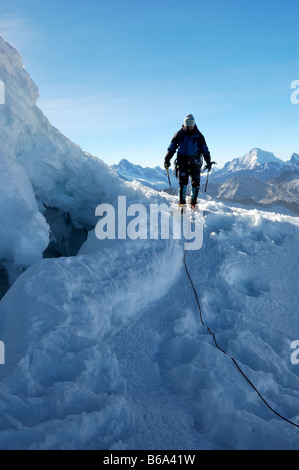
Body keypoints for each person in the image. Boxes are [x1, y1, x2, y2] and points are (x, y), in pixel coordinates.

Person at [164, 114, 212, 206]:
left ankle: (193, 201)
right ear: (184, 125)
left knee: (196, 182)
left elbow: (205, 150)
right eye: (187, 126)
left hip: (195, 162)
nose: (189, 128)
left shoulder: (198, 135)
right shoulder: (179, 134)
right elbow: (172, 147)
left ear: (193, 125)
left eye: (191, 126)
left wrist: (208, 161)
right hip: (182, 161)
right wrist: (167, 159)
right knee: (183, 182)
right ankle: (182, 202)